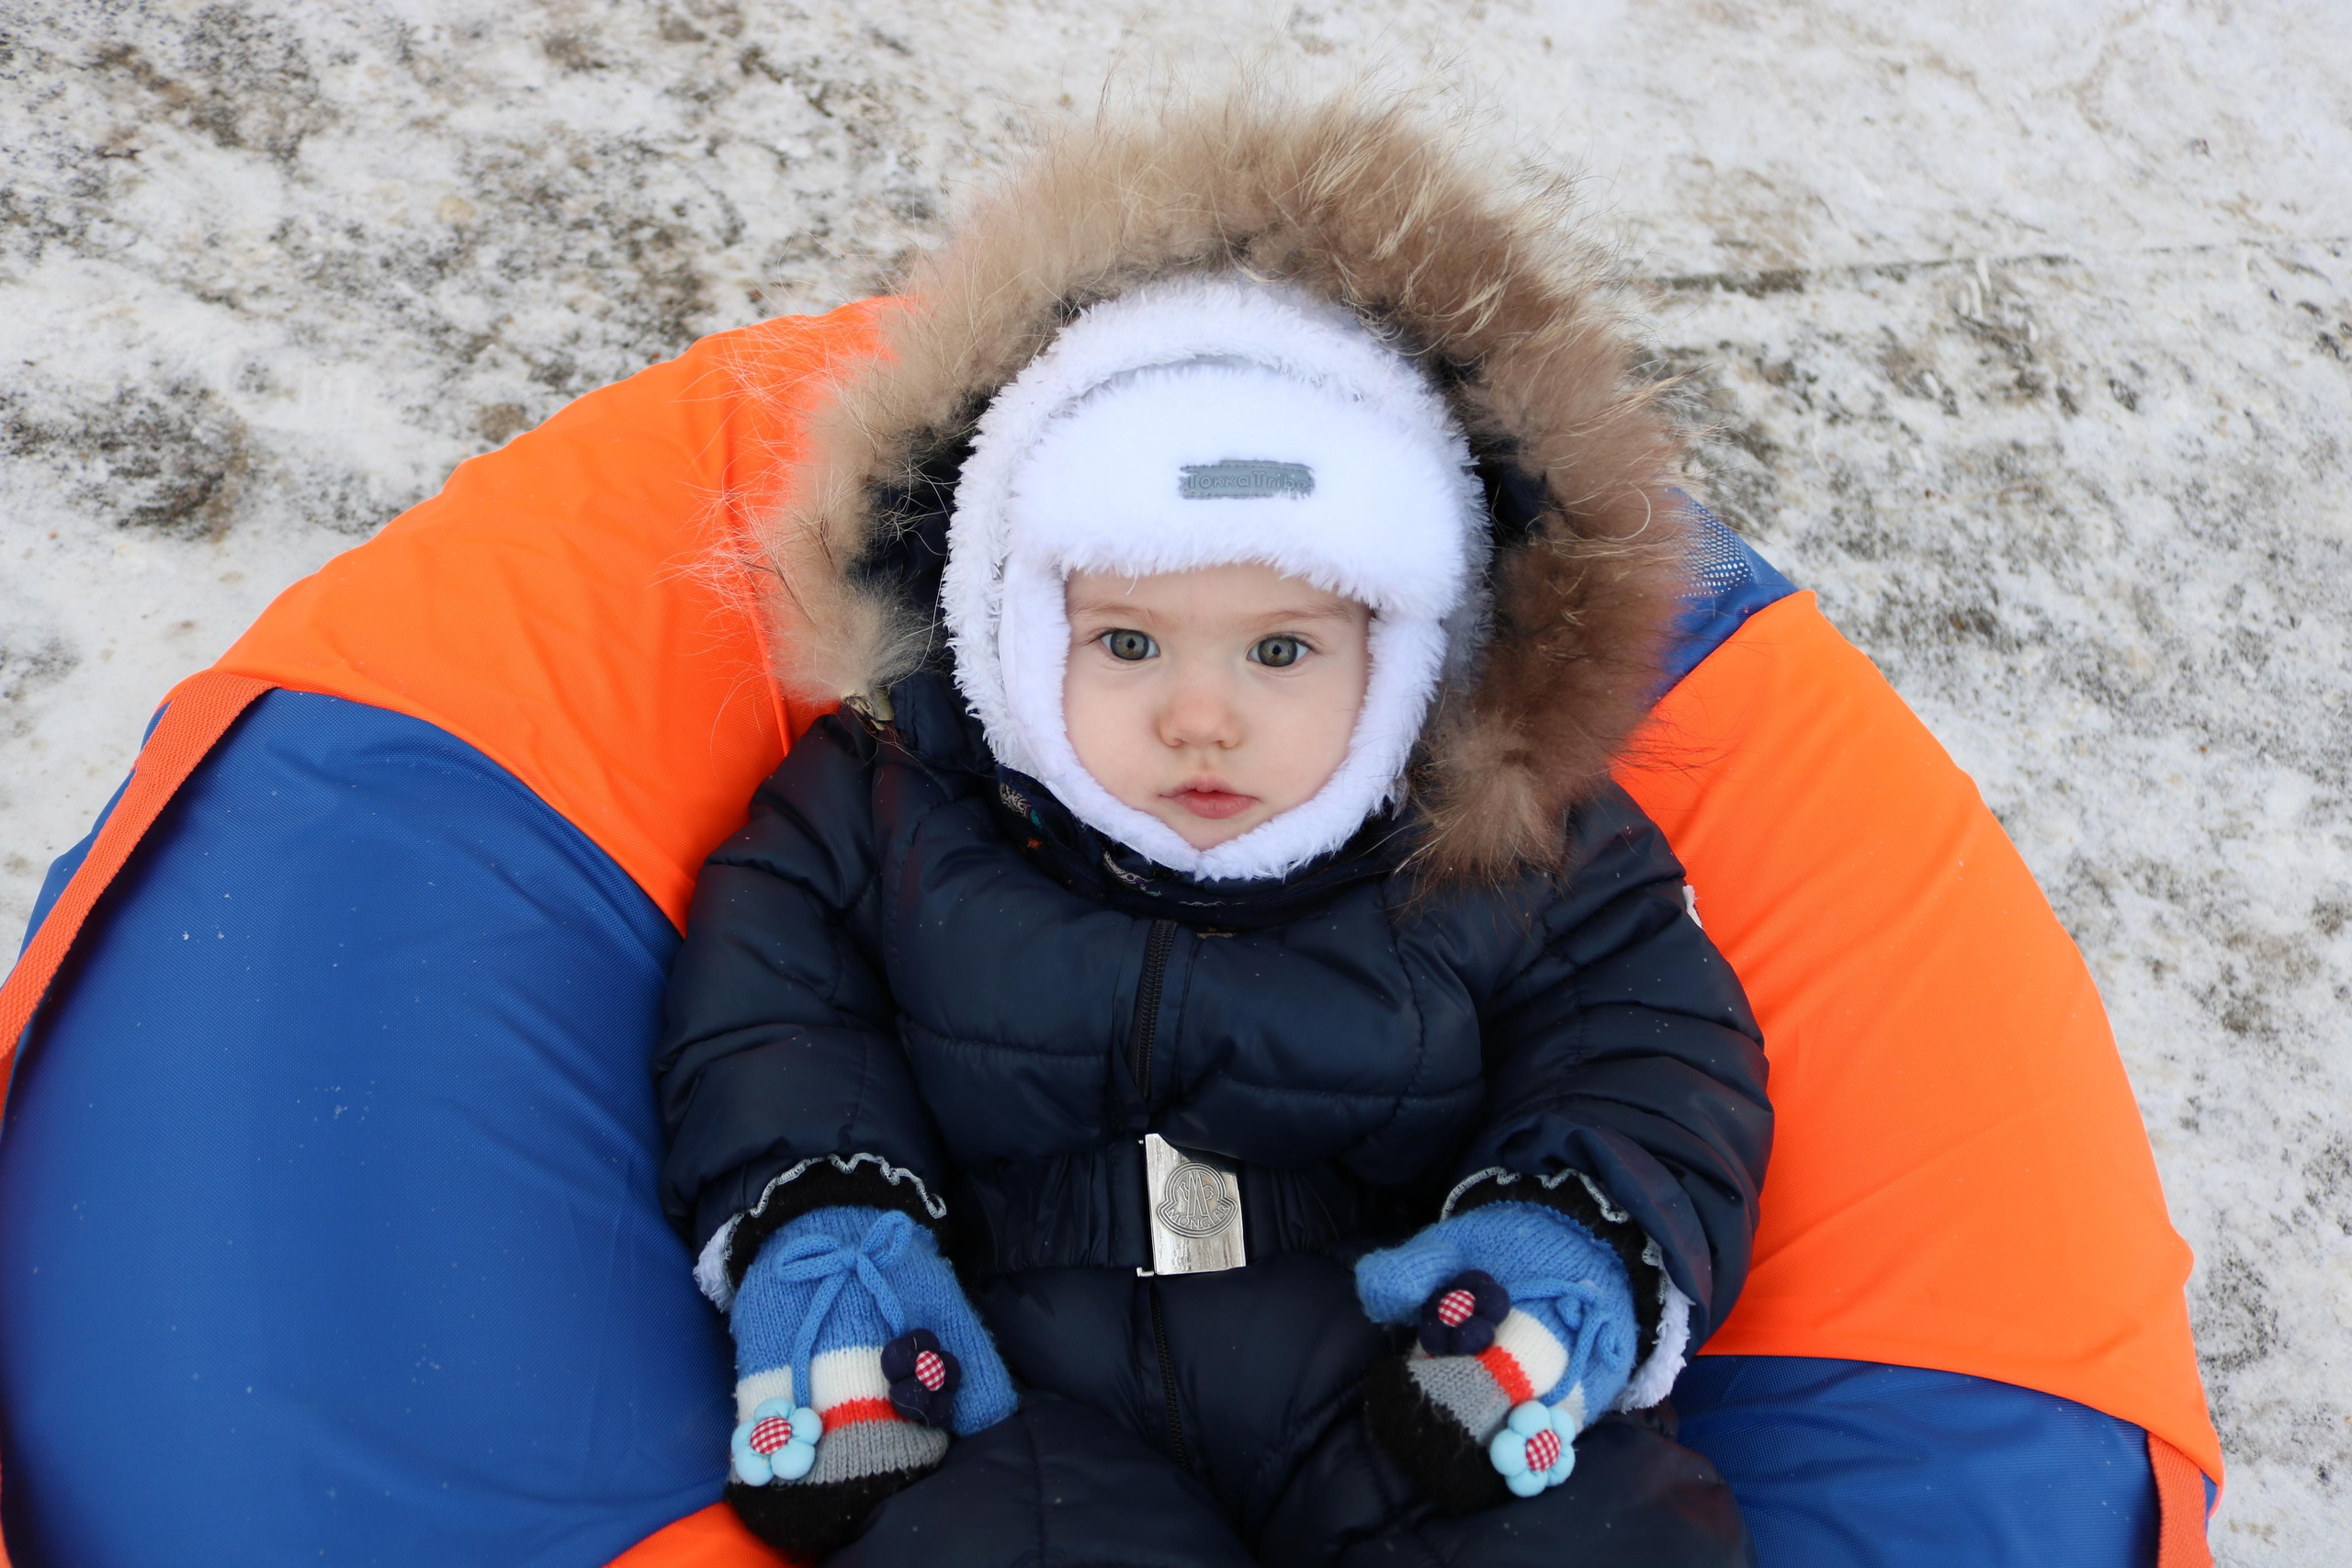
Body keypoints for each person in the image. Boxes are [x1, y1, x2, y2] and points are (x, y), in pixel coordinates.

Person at [654, 97, 1772, 1567]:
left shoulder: (1507, 841)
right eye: (1127, 644)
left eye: (1280, 651)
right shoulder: (894, 803)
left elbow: (1644, 1043)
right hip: (1009, 1375)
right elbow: (776, 1015)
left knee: (1593, 1532)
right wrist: (833, 1224)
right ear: (1010, 624)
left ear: (1410, 652)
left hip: (1394, 1352)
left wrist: (1565, 1237)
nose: (1200, 718)